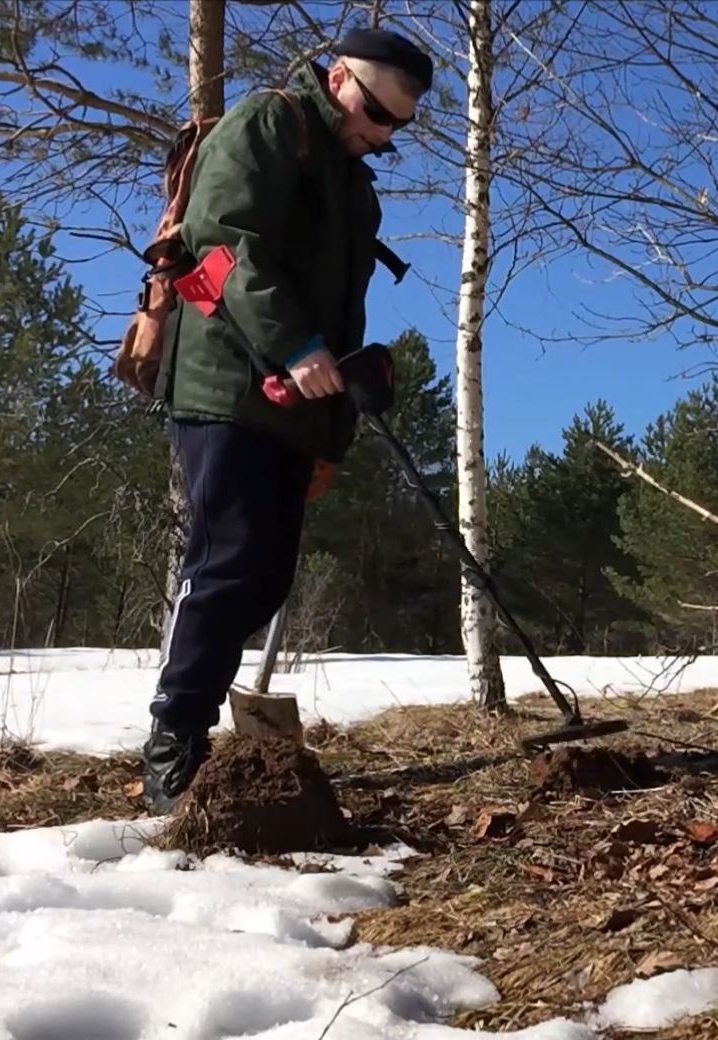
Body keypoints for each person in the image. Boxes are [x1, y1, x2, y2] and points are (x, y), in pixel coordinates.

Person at [142, 29, 432, 813]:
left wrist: (335, 420)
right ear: (338, 79)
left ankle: (201, 733)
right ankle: (174, 744)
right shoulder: (269, 124)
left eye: (396, 127)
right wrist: (294, 346)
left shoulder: (354, 185)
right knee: (228, 561)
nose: (381, 133)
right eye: (376, 112)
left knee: (266, 575)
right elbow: (223, 244)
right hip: (225, 386)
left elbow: (338, 316)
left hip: (296, 406)